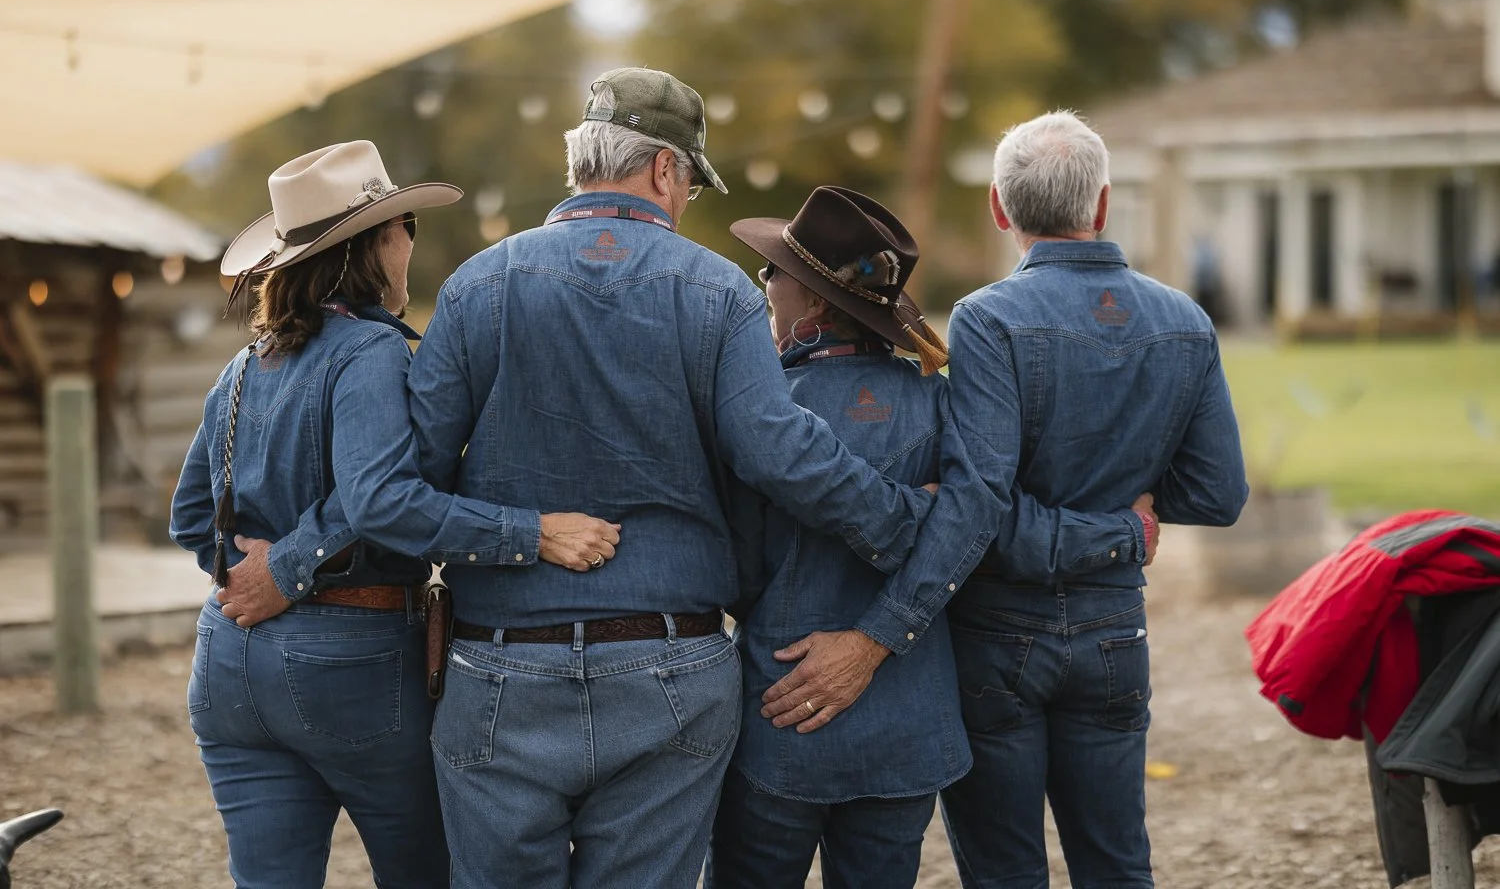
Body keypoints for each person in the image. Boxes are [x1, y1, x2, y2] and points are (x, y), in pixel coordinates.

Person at [265, 68, 940, 888]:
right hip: (671, 665)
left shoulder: (478, 286)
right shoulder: (721, 293)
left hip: (500, 668)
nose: (686, 197)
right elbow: (781, 454)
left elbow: (411, 480)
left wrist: (293, 562)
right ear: (664, 170)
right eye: (689, 180)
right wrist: (904, 523)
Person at [169, 140, 618, 889]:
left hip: (228, 662)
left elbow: (189, 517)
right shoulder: (371, 352)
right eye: (407, 224)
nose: (412, 240)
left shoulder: (243, 366)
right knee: (429, 872)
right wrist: (532, 533)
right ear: (379, 241)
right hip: (348, 663)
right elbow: (383, 500)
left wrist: (257, 575)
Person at [708, 188, 1151, 889]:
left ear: (818, 303)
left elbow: (730, 573)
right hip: (908, 726)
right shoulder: (945, 405)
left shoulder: (764, 412)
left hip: (780, 708)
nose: (764, 281)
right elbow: (983, 523)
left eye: (775, 270)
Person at [940, 111, 1249, 889]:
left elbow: (980, 505)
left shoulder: (986, 319)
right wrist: (1123, 529)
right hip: (1115, 629)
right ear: (1103, 205)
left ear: (999, 209)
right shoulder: (1184, 320)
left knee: (1003, 870)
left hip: (998, 630)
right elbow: (1218, 493)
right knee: (1118, 864)